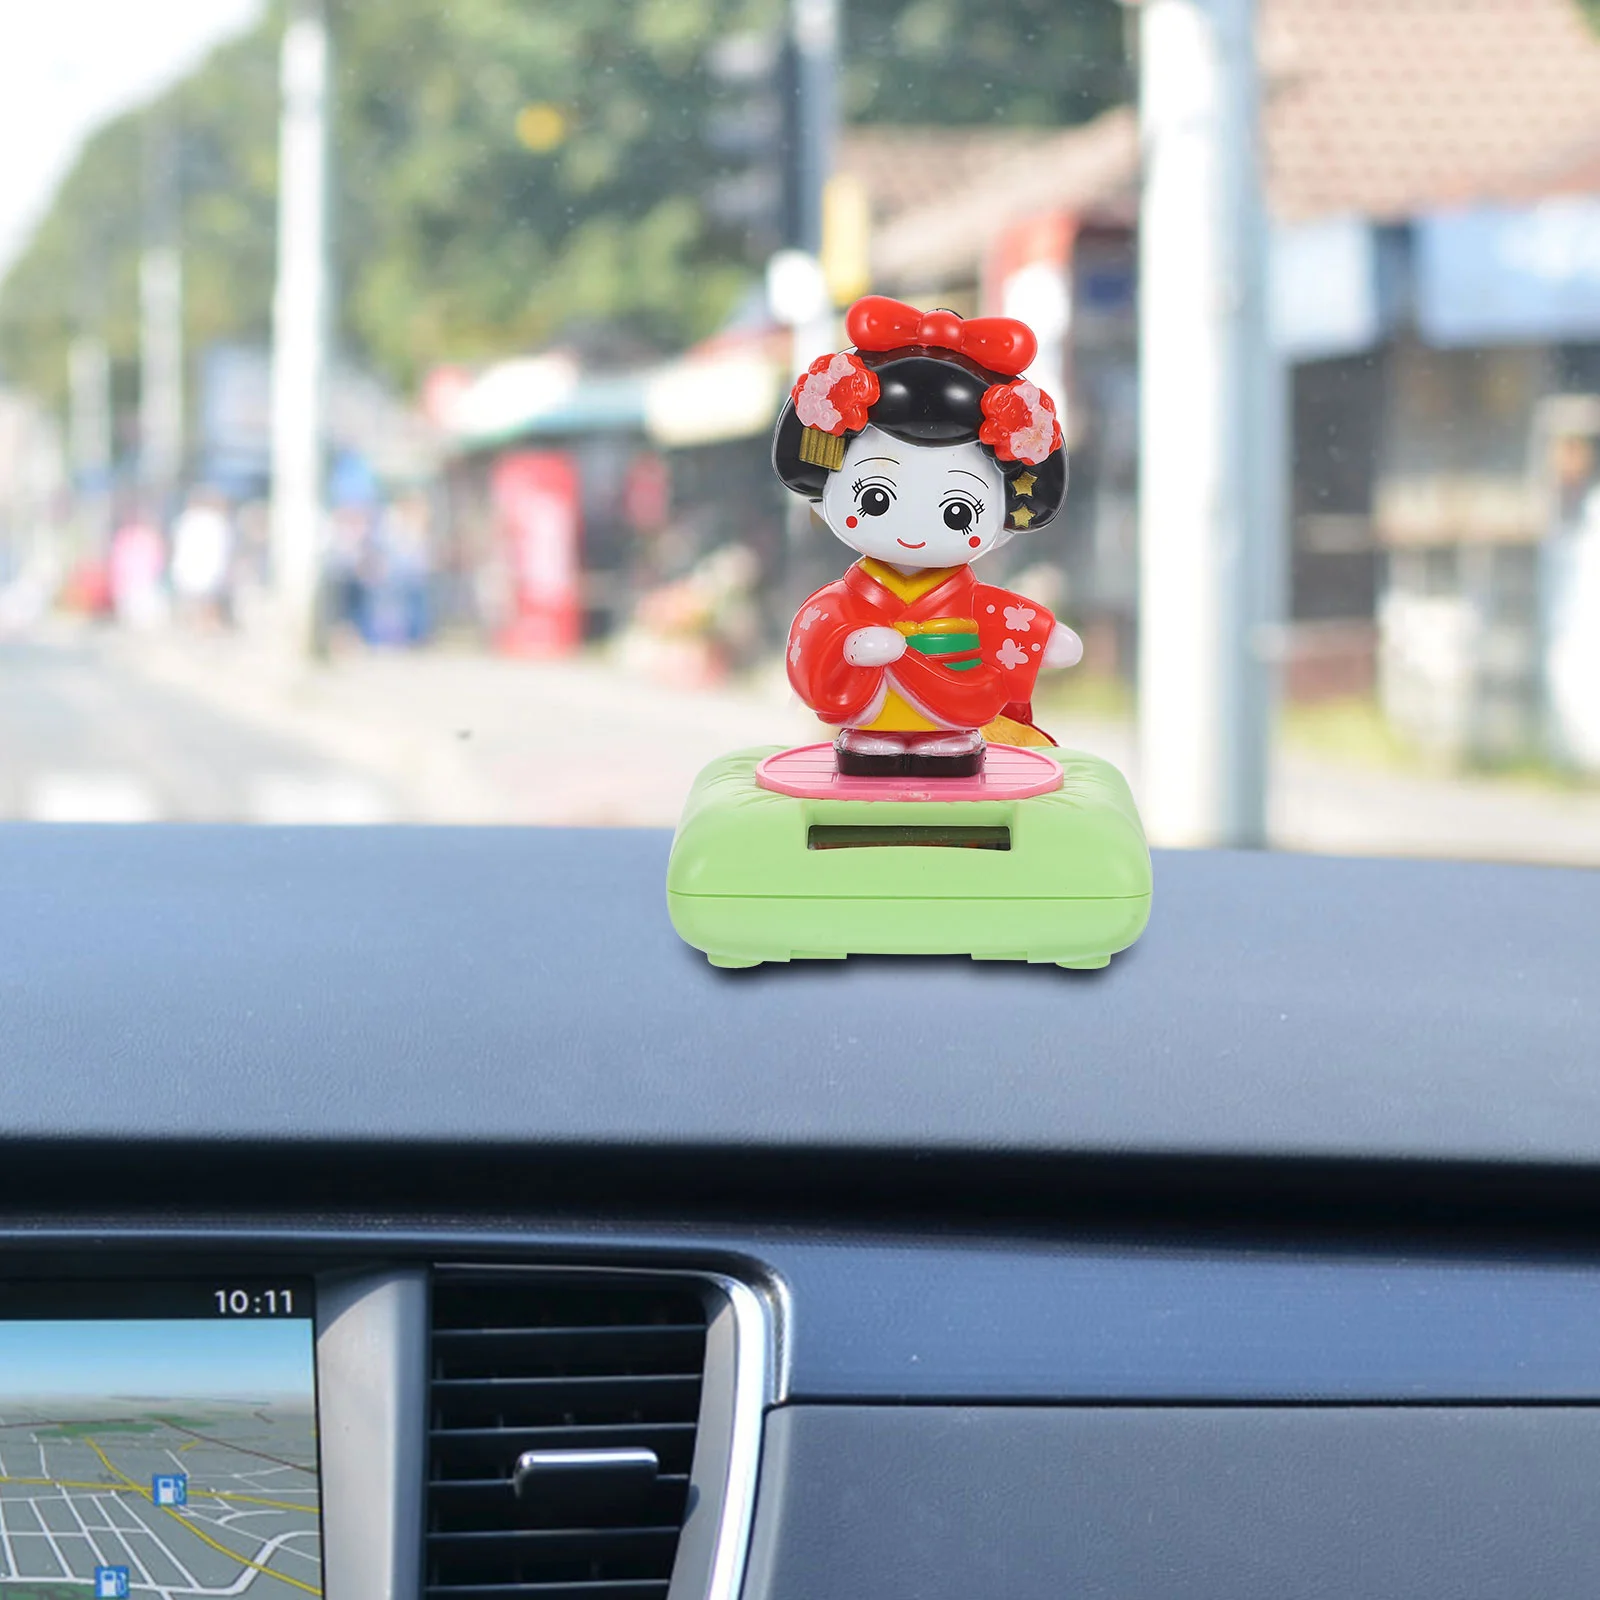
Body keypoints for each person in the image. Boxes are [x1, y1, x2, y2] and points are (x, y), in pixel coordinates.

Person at [773, 294, 1083, 777]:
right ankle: (869, 741)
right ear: (824, 489)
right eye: (876, 499)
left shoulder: (965, 598)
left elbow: (999, 617)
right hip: (867, 706)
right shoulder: (845, 601)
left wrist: (1044, 639)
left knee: (954, 746)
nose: (915, 531)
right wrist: (850, 643)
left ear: (1003, 521)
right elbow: (818, 626)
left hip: (954, 706)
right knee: (868, 746)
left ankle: (948, 743)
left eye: (958, 511)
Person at [168, 488, 235, 628]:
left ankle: (198, 623)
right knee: (204, 597)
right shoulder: (214, 522)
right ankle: (202, 623)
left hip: (193, 568)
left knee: (199, 597)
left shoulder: (188, 520)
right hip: (204, 569)